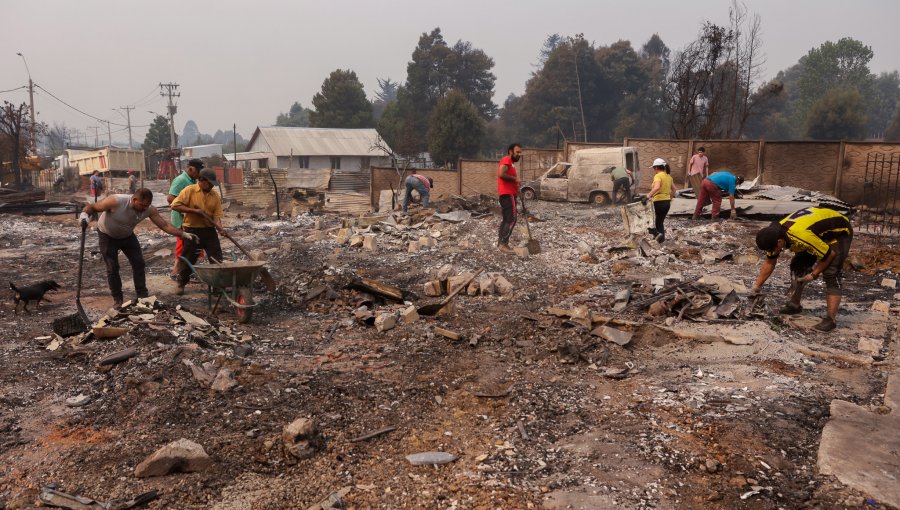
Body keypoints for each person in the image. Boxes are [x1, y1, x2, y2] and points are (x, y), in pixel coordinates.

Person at [79, 189, 198, 307]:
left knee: (139, 263)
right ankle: (117, 299)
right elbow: (93, 207)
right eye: (142, 205)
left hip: (127, 236)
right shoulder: (116, 201)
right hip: (107, 235)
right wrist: (84, 216)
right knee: (112, 267)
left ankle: (142, 295)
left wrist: (182, 234)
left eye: (147, 206)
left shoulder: (149, 209)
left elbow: (164, 225)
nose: (144, 209)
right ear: (134, 200)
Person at [752, 207, 853, 332]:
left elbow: (829, 254)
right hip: (814, 232)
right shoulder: (774, 233)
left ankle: (830, 320)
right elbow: (770, 261)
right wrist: (756, 287)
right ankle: (794, 305)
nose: (775, 252)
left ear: (779, 242)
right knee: (798, 266)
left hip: (838, 230)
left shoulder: (800, 236)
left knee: (831, 273)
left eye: (775, 249)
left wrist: (813, 275)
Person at [171, 168, 227, 295]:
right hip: (192, 230)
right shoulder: (189, 190)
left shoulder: (215, 195)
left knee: (216, 258)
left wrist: (220, 228)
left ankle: (217, 286)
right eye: (209, 182)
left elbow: (216, 216)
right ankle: (181, 282)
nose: (212, 185)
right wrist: (194, 211)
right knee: (188, 258)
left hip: (209, 231)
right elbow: (174, 205)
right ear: (201, 180)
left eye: (213, 183)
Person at [168, 159, 203, 279]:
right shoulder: (181, 180)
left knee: (193, 246)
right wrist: (186, 209)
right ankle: (176, 272)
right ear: (191, 169)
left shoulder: (192, 180)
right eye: (198, 171)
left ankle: (186, 270)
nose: (199, 175)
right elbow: (170, 198)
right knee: (183, 246)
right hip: (181, 219)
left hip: (190, 219)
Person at [497, 143, 522, 254]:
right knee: (512, 219)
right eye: (517, 152)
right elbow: (501, 174)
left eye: (520, 152)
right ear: (510, 151)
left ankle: (501, 243)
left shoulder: (512, 164)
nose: (519, 154)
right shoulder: (506, 159)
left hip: (509, 194)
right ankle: (503, 244)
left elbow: (511, 180)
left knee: (506, 219)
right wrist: (515, 179)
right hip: (507, 194)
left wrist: (517, 187)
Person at [645, 158, 674, 243]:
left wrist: (647, 196)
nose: (654, 170)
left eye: (654, 168)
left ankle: (655, 233)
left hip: (658, 202)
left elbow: (657, 187)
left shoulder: (658, 176)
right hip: (667, 202)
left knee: (648, 219)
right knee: (660, 222)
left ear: (657, 167)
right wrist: (669, 198)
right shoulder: (669, 176)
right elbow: (674, 189)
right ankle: (660, 240)